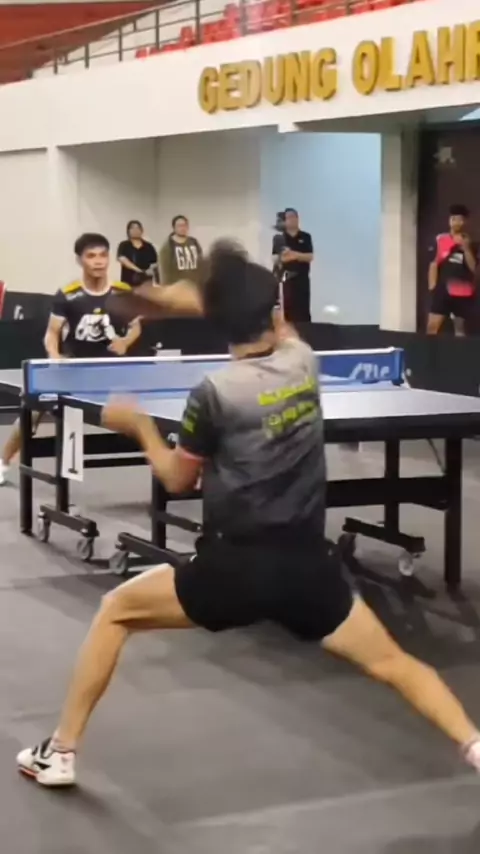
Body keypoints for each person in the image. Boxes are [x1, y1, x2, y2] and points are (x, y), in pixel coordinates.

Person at [16, 241, 480, 787]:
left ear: (219, 322)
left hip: (232, 570)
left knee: (116, 610)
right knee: (394, 664)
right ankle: (474, 744)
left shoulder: (214, 393)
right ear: (274, 313)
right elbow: (276, 326)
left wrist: (139, 427)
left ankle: (61, 752)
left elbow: (178, 480)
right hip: (309, 569)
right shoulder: (303, 361)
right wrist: (200, 300)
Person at [0, 233, 141, 486]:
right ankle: (2, 462)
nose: (98, 261)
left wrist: (126, 341)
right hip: (74, 367)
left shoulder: (123, 292)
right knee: (32, 410)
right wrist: (54, 357)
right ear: (80, 260)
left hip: (111, 370)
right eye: (91, 256)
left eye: (103, 255)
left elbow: (136, 326)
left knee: (152, 410)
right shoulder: (68, 294)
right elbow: (52, 334)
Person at [426, 204, 478, 337]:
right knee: (432, 327)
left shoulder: (472, 243)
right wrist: (433, 288)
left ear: (465, 222)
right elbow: (433, 264)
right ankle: (428, 349)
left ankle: (459, 350)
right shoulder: (440, 240)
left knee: (460, 329)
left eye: (460, 219)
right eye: (453, 219)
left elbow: (473, 268)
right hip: (442, 291)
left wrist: (466, 248)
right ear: (449, 221)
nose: (456, 222)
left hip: (463, 292)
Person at [272, 208, 313, 323]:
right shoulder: (279, 238)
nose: (292, 220)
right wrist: (285, 257)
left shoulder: (305, 237)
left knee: (303, 311)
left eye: (294, 217)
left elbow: (310, 256)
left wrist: (294, 255)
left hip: (302, 279)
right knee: (287, 311)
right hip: (286, 280)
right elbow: (275, 258)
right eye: (289, 217)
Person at [158, 215, 203, 285]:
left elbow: (201, 263)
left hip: (195, 286)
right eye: (179, 226)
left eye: (184, 225)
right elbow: (164, 271)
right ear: (174, 228)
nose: (182, 228)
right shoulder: (168, 246)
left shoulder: (194, 242)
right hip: (177, 287)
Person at [117, 220, 158, 287]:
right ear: (128, 231)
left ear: (141, 230)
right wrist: (139, 271)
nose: (135, 230)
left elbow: (154, 263)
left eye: (137, 228)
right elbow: (122, 259)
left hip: (146, 282)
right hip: (128, 283)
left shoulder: (149, 246)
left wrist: (148, 271)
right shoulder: (124, 245)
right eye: (132, 228)